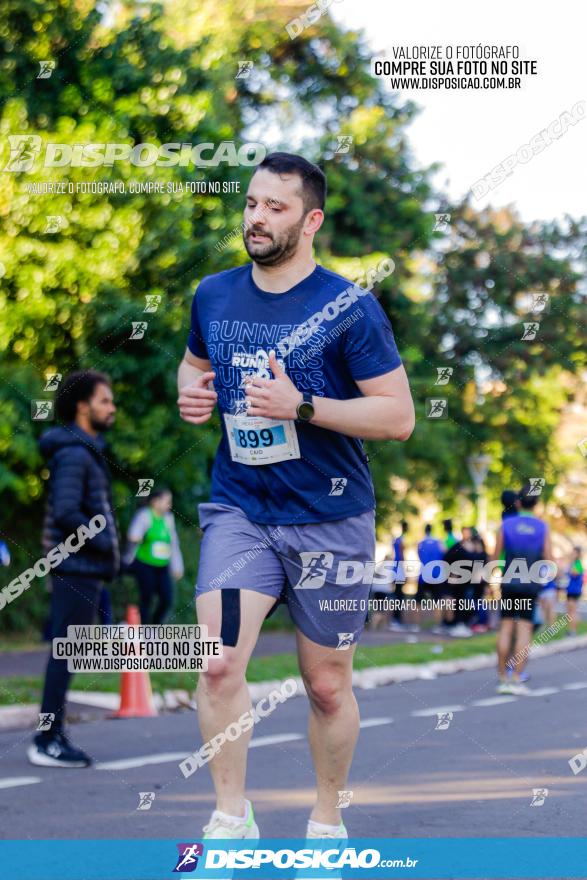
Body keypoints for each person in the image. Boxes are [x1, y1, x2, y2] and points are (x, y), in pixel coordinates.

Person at [177, 152, 414, 840]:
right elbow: (192, 370)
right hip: (240, 511)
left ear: (309, 221)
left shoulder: (349, 308)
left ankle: (326, 818)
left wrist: (300, 404)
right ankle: (229, 817)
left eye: (275, 207)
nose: (256, 217)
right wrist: (189, 395)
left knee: (326, 686)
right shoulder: (213, 295)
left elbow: (397, 417)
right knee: (217, 663)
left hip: (330, 518)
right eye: (251, 203)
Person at [28, 371, 119, 768]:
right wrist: (102, 541)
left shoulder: (84, 451)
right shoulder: (74, 453)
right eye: (104, 400)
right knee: (63, 653)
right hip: (74, 566)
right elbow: (66, 511)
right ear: (83, 406)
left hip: (84, 568)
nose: (111, 407)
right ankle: (46, 738)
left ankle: (54, 732)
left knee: (67, 653)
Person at [493, 483, 553, 695]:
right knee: (524, 630)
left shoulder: (506, 526)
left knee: (506, 628)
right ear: (536, 504)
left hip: (509, 583)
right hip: (530, 585)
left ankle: (502, 678)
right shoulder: (542, 527)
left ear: (518, 502)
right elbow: (548, 557)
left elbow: (495, 556)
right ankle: (517, 678)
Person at [125, 488, 184, 624]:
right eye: (166, 501)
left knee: (167, 599)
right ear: (155, 502)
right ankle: (144, 633)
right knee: (146, 599)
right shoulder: (145, 515)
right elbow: (133, 534)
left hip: (162, 567)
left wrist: (178, 567)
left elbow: (173, 544)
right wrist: (136, 537)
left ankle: (155, 628)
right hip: (144, 564)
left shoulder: (169, 519)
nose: (169, 505)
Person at [416, 524, 446, 632]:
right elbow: (444, 554)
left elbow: (419, 556)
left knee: (419, 602)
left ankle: (418, 626)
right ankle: (437, 626)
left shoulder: (420, 543)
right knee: (437, 602)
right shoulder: (439, 542)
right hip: (437, 575)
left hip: (423, 575)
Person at [389, 520, 408, 631]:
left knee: (397, 595)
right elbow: (402, 555)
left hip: (395, 568)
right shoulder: (401, 540)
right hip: (399, 569)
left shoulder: (396, 539)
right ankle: (396, 619)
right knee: (399, 596)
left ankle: (395, 619)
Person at [566, 547, 584, 636]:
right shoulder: (573, 563)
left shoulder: (578, 564)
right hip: (570, 590)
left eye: (574, 553)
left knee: (572, 611)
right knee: (570, 611)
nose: (572, 554)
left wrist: (570, 565)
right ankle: (571, 630)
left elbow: (574, 573)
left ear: (578, 554)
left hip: (575, 591)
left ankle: (573, 631)